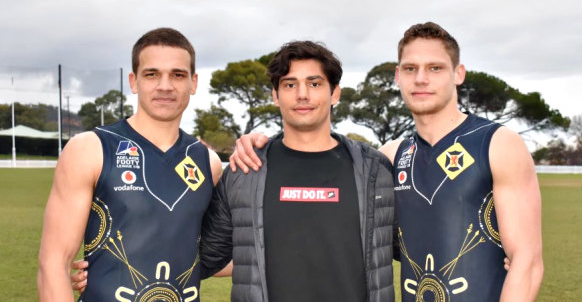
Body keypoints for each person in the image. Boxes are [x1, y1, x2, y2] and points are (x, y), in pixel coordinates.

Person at [229, 22, 544, 301]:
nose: (421, 79)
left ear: (457, 74)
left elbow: (527, 263)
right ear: (398, 76)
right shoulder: (389, 158)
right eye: (410, 69)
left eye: (435, 68)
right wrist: (258, 143)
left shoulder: (498, 144)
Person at [198, 40, 396, 302]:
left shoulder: (375, 171)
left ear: (335, 92)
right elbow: (205, 259)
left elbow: (416, 245)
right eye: (290, 85)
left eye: (314, 84)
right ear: (275, 95)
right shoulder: (245, 172)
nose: (302, 94)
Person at [38, 27, 223, 301]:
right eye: (152, 74)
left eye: (178, 75)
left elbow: (207, 255)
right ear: (134, 81)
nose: (165, 86)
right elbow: (53, 262)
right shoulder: (90, 149)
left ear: (193, 83)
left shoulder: (208, 162)